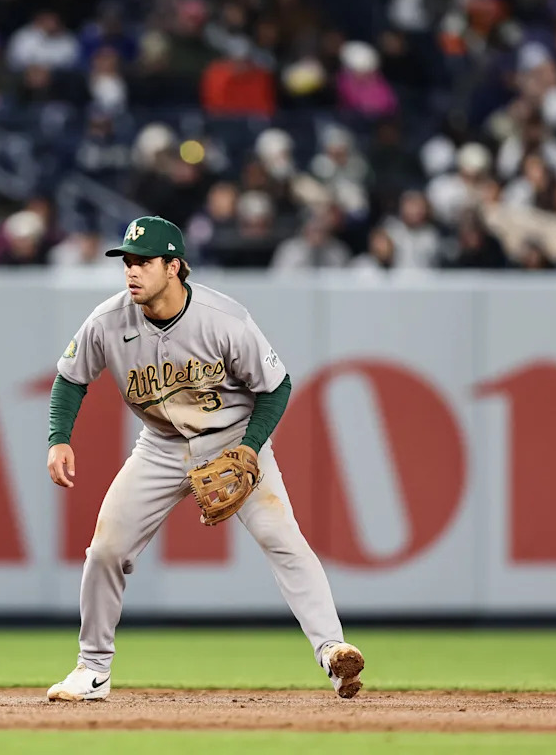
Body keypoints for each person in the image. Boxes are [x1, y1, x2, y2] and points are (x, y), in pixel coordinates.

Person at [44, 215, 365, 702]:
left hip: (232, 439)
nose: (131, 271)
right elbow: (70, 378)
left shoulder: (224, 319)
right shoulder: (108, 320)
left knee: (282, 539)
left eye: (144, 262)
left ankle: (333, 651)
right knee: (106, 550)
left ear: (173, 266)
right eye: (127, 261)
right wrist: (59, 438)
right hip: (160, 446)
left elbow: (276, 386)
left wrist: (249, 448)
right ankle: (93, 669)